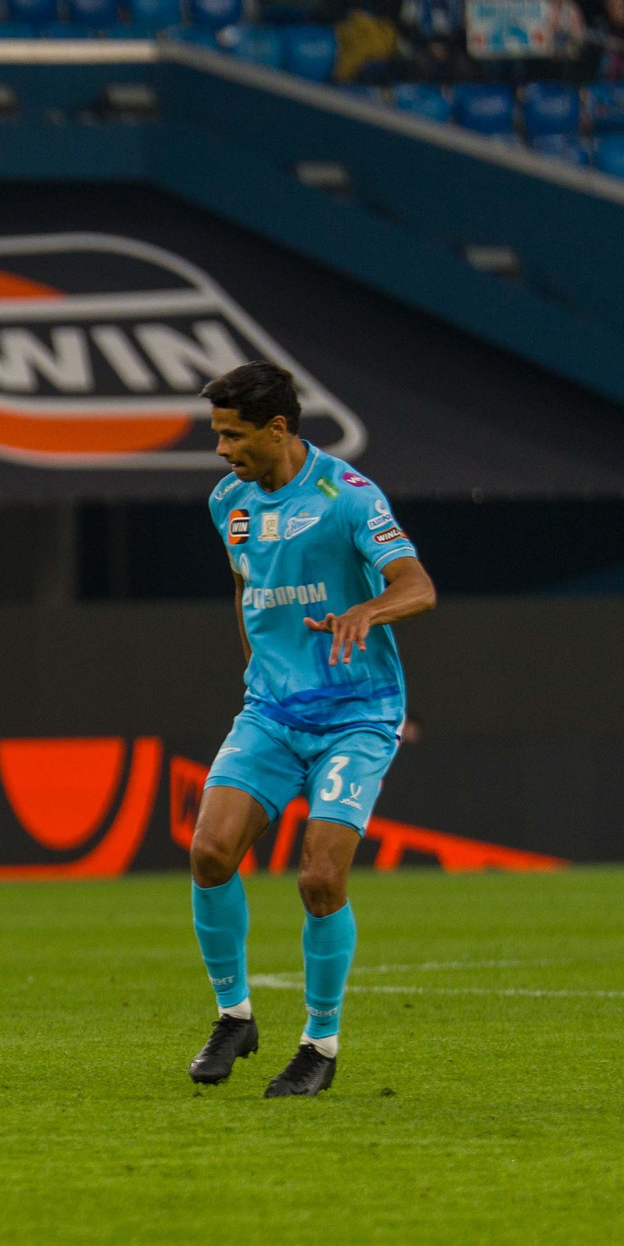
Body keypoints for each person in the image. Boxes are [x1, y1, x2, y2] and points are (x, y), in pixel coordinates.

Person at [184, 361, 436, 1099]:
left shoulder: (347, 496)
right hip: (270, 711)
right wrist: (258, 675)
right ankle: (234, 1016)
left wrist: (367, 611)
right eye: (217, 434)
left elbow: (417, 586)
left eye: (233, 435)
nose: (222, 450)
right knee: (209, 853)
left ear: (277, 428)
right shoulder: (228, 502)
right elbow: (246, 588)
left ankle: (319, 1045)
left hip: (356, 715)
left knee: (321, 880)